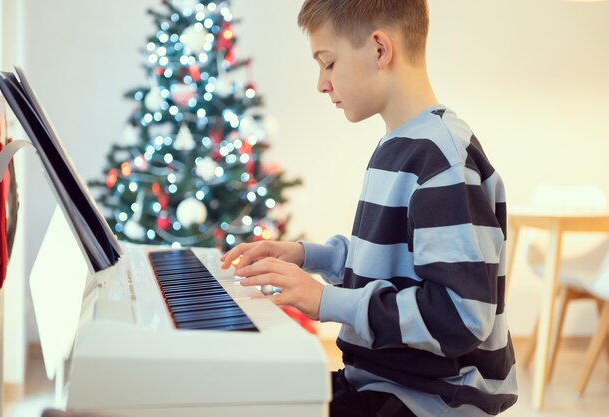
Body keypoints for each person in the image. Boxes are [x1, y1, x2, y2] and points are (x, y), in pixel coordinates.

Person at [221, 0, 517, 416]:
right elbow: (390, 261)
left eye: (328, 63)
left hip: (431, 398)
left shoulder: (443, 159)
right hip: (385, 379)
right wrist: (307, 255)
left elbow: (461, 315)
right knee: (247, 394)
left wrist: (327, 302)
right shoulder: (399, 144)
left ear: (379, 49)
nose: (321, 84)